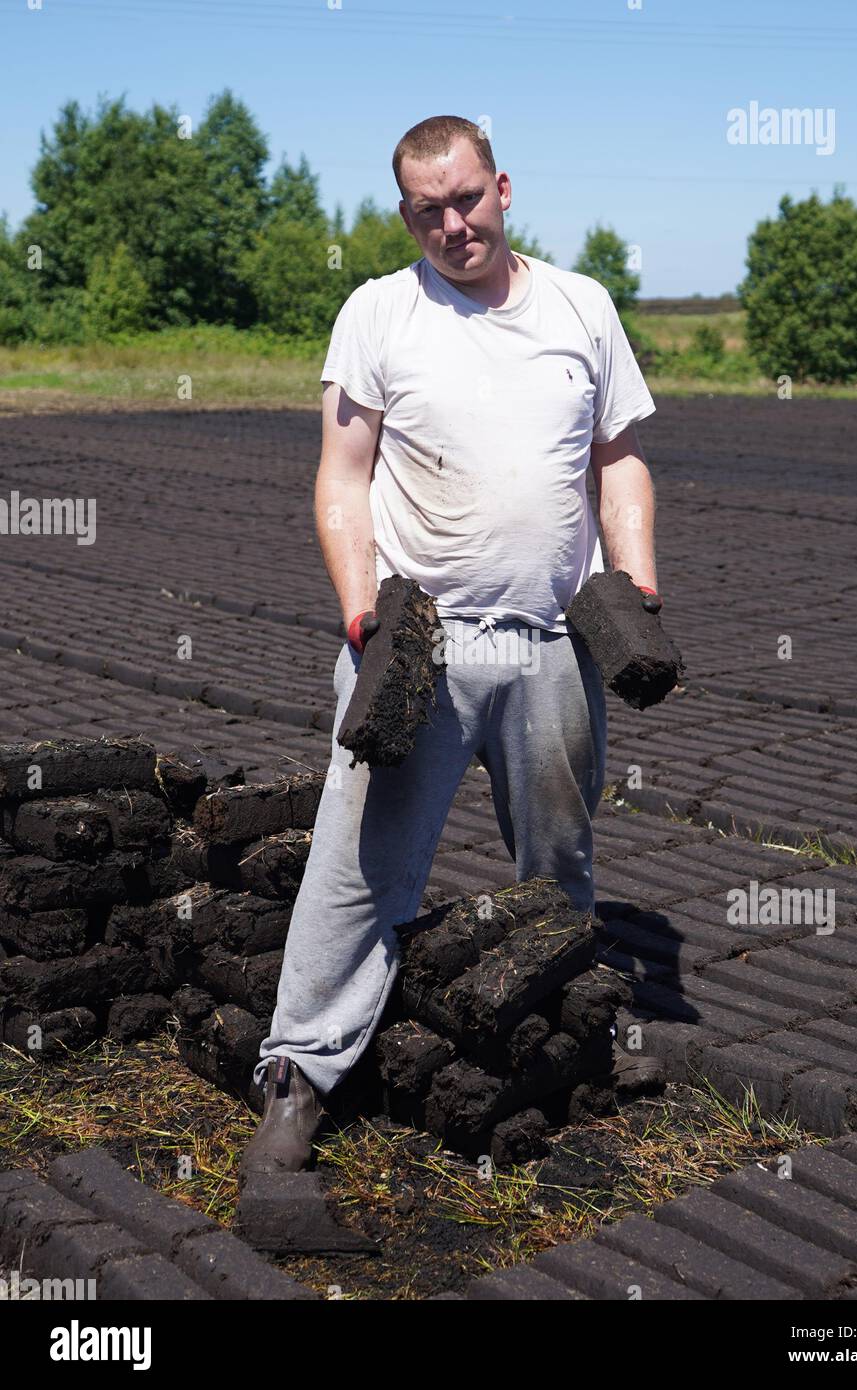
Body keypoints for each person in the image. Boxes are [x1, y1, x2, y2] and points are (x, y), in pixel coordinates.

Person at [241, 115, 660, 1178]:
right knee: (358, 865)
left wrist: (636, 575)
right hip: (417, 649)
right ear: (404, 214)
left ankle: (579, 1030)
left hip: (552, 647)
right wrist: (360, 612)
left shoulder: (582, 308)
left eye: (466, 199)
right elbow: (341, 478)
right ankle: (296, 1077)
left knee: (559, 862)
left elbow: (618, 462)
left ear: (503, 188)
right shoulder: (379, 314)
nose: (452, 223)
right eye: (428, 210)